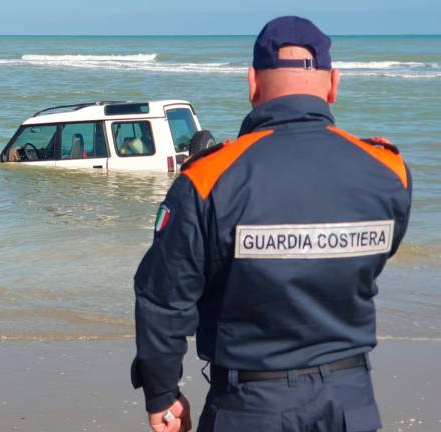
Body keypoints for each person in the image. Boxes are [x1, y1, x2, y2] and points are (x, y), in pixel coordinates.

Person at [131, 16, 412, 432]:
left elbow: (163, 300)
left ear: (252, 84)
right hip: (350, 403)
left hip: (250, 407)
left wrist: (162, 393)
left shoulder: (209, 178)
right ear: (333, 83)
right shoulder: (388, 172)